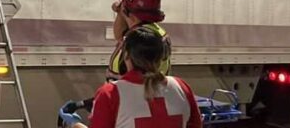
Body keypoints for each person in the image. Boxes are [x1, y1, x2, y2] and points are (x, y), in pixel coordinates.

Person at [59, 26, 201, 128]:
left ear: (126, 55)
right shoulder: (181, 87)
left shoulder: (110, 93)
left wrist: (74, 124)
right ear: (159, 58)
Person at [108, 0, 172, 79]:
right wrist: (121, 10)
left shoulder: (140, 40)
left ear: (127, 10)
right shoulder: (153, 33)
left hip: (129, 90)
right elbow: (119, 35)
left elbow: (136, 84)